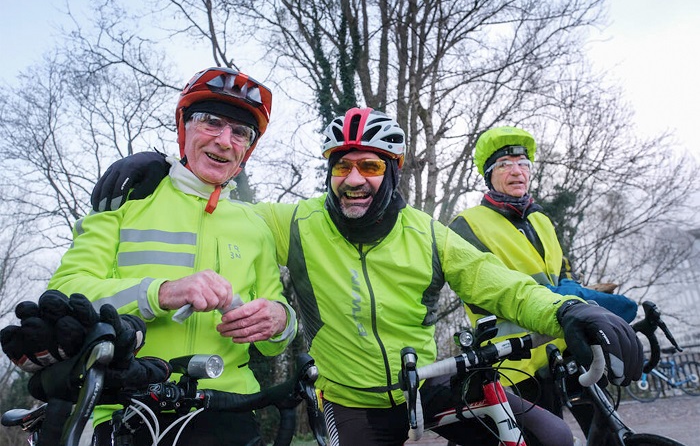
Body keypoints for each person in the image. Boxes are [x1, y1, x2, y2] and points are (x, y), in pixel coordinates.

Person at [89, 108, 643, 446]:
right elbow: (215, 206)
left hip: (427, 381)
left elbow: (496, 282)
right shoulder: (296, 222)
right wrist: (163, 169)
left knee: (548, 435)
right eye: (342, 165)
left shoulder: (424, 232)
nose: (354, 179)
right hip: (349, 400)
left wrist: (565, 309)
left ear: (392, 173)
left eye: (371, 166)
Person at [46, 67, 297, 446]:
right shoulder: (127, 203)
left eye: (240, 132)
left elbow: (275, 341)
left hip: (228, 409)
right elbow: (63, 296)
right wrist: (161, 293)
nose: (225, 141)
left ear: (247, 149)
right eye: (212, 122)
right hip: (124, 406)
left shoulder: (255, 224)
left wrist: (280, 320)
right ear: (184, 127)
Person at [449, 126, 638, 441]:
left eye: (523, 164)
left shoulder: (541, 220)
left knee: (607, 430)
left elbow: (563, 273)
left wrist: (583, 299)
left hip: (566, 348)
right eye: (505, 164)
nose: (517, 171)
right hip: (514, 364)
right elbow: (484, 292)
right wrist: (560, 299)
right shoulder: (466, 225)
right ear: (488, 174)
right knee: (549, 438)